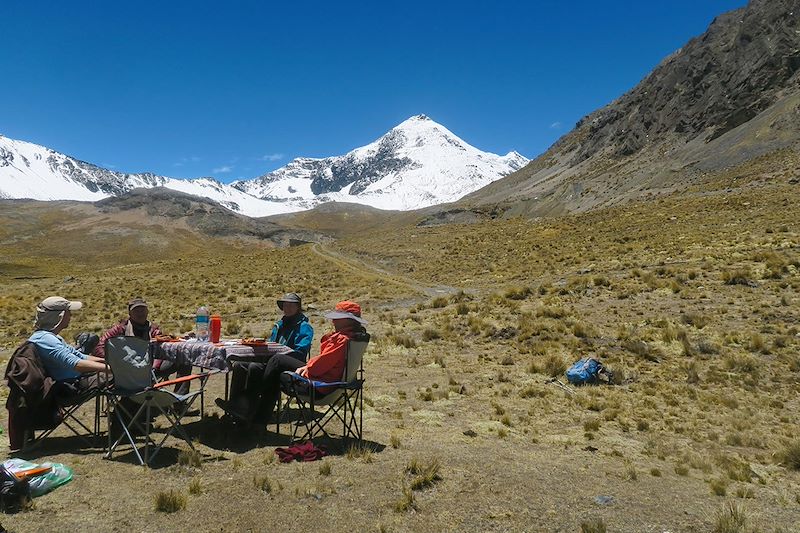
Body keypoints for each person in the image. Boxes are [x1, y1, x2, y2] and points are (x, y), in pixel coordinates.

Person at [218, 300, 367, 425]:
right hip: (328, 380)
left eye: (337, 317)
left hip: (321, 385)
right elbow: (325, 361)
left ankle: (248, 408)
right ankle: (250, 413)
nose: (333, 320)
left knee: (277, 360)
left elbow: (322, 363)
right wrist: (309, 366)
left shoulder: (341, 339)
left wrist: (308, 368)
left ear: (349, 320)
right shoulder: (353, 337)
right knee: (256, 368)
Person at [94, 297, 192, 394]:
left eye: (143, 310)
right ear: (130, 313)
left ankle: (179, 403)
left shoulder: (153, 330)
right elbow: (100, 346)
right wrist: (115, 362)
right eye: (136, 310)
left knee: (184, 359)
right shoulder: (120, 329)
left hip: (150, 368)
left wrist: (154, 366)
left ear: (147, 311)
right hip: (126, 371)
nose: (140, 313)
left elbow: (162, 347)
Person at [28, 296, 108, 385]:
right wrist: (111, 369)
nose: (70, 315)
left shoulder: (50, 337)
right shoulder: (46, 340)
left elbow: (80, 356)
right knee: (113, 378)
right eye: (68, 312)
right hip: (67, 385)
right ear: (60, 316)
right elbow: (76, 364)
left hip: (72, 379)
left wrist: (109, 362)